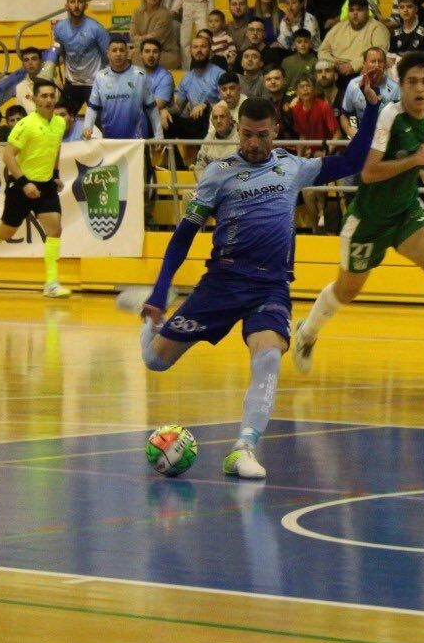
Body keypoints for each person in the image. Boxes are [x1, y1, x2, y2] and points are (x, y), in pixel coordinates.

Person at [118, 97, 379, 480]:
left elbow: (354, 161)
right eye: (246, 135)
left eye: (261, 135)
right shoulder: (218, 174)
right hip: (223, 282)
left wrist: (371, 110)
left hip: (271, 286)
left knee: (269, 358)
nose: (253, 144)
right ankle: (150, 318)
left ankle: (244, 448)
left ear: (275, 131)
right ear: (238, 131)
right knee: (156, 361)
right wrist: (159, 291)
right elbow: (182, 238)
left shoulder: (293, 167)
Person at [291, 52, 424, 376]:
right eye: (412, 82)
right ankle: (306, 333)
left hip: (406, 210)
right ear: (401, 86)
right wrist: (412, 161)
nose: (419, 89)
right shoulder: (390, 118)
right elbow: (368, 172)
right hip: (369, 219)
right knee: (347, 291)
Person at [0, 79, 71, 298]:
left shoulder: (59, 123)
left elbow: (55, 149)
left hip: (45, 185)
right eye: (44, 96)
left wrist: (55, 175)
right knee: (6, 233)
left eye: (51, 96)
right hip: (21, 185)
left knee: (55, 229)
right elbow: (8, 156)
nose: (48, 100)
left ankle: (51, 283)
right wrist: (24, 183)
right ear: (35, 99)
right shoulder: (25, 125)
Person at [81, 36, 160, 140]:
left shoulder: (140, 75)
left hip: (137, 140)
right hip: (110, 140)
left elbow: (152, 108)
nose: (118, 54)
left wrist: (159, 135)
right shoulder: (100, 77)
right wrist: (87, 126)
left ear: (127, 53)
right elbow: (93, 108)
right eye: (114, 50)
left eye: (122, 50)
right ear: (108, 54)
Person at [52, 0, 113, 117]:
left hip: (94, 83)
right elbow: (61, 53)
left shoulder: (96, 29)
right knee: (59, 120)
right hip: (71, 83)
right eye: (72, 2)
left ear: (85, 5)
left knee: (100, 124)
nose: (76, 5)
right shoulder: (59, 28)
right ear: (66, 6)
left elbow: (108, 57)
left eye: (80, 1)